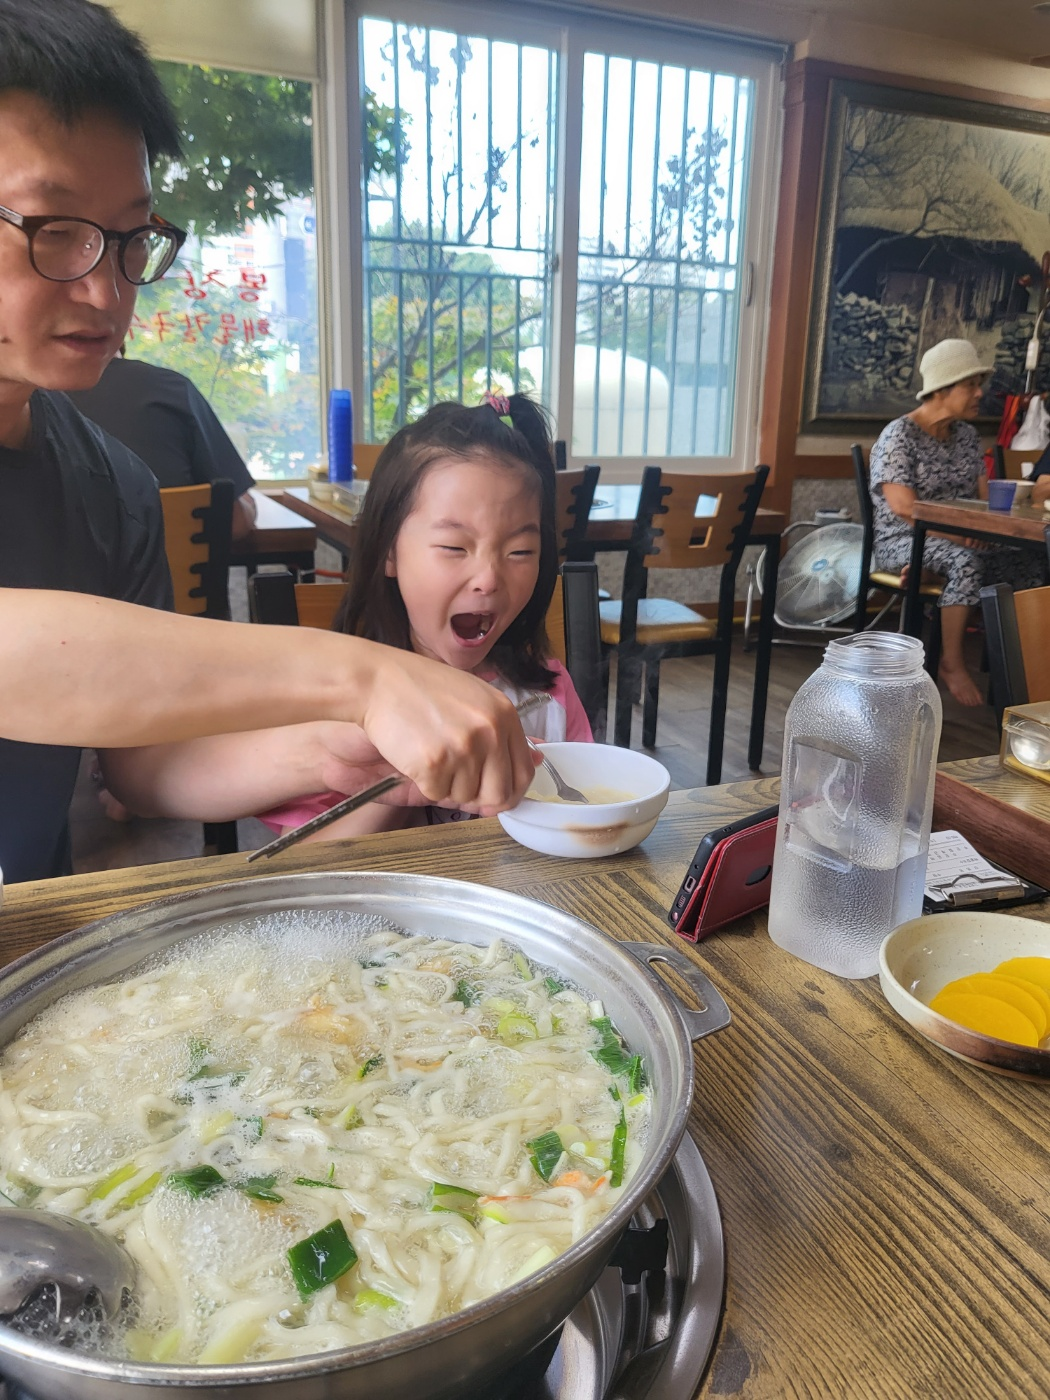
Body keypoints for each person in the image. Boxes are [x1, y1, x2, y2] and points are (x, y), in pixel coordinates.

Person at [0, 0, 534, 883]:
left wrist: (327, 753)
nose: (107, 292)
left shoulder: (116, 487)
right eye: (55, 231)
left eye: (132, 239)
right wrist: (364, 677)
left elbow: (143, 763)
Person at [249, 393, 593, 842]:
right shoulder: (338, 700)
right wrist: (400, 780)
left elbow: (583, 810)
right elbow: (307, 863)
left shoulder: (546, 693)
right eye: (454, 548)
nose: (488, 578)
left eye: (520, 551)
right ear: (390, 551)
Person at [869, 338, 1046, 708]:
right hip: (904, 540)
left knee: (1032, 560)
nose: (980, 393)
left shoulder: (966, 437)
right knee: (965, 563)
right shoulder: (899, 435)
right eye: (971, 385)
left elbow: (982, 498)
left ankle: (1023, 673)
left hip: (961, 538)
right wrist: (959, 537)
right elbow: (903, 506)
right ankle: (951, 661)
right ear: (942, 388)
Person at [68, 351, 259, 541]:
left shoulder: (42, 396)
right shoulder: (173, 389)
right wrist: (249, 506)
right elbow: (235, 524)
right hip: (171, 571)